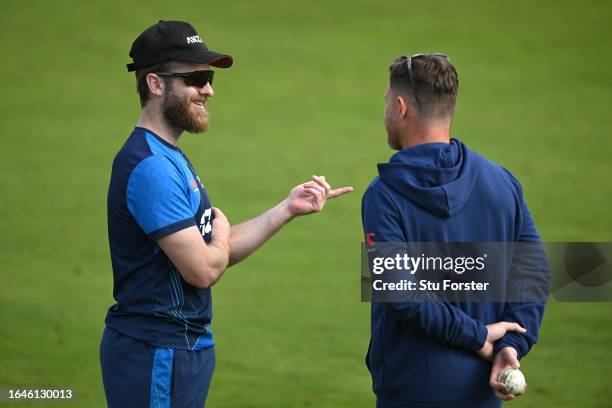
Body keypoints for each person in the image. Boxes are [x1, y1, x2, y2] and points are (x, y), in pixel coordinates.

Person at [100, 20, 352, 408]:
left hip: (178, 349)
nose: (209, 89)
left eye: (209, 77)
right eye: (196, 77)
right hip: (157, 352)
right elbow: (203, 268)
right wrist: (218, 235)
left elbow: (213, 251)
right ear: (155, 83)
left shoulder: (169, 158)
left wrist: (286, 209)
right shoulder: (150, 166)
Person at [361, 53, 547, 407]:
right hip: (483, 388)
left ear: (401, 107)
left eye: (386, 101)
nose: (385, 110)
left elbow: (399, 292)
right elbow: (534, 269)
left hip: (410, 392)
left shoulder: (384, 195)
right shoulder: (502, 182)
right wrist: (511, 344)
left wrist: (481, 336)